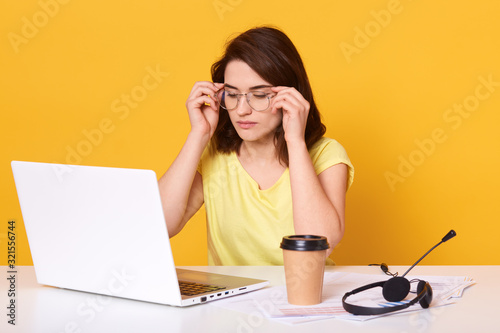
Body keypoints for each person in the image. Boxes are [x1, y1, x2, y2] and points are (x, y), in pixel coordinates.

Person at [158, 26, 354, 265]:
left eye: (259, 95)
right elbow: (158, 226)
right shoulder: (214, 155)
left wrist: (295, 141)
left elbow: (319, 246)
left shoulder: (326, 155)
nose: (241, 110)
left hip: (301, 296)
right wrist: (199, 134)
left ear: (290, 95)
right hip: (231, 300)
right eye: (232, 94)